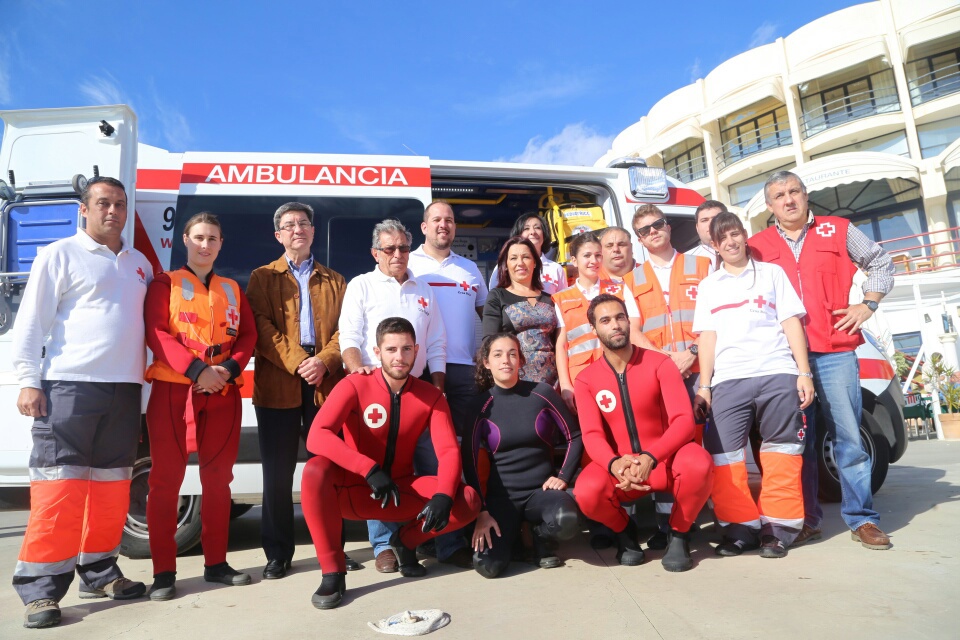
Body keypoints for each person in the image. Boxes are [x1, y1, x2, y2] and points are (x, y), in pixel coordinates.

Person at [11, 177, 152, 629]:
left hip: (125, 390)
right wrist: (29, 381)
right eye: (103, 204)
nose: (112, 211)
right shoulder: (59, 254)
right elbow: (30, 324)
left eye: (119, 204)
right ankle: (41, 591)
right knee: (60, 491)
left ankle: (99, 571)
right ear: (84, 211)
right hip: (69, 387)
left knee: (112, 491)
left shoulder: (139, 264)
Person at [748, 170, 895, 551]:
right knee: (799, 443)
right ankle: (807, 521)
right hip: (785, 359)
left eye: (794, 191)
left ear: (805, 195)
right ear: (770, 205)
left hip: (835, 352)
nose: (788, 199)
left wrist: (868, 304)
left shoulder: (838, 229)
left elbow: (881, 263)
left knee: (848, 438)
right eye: (779, 195)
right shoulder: (757, 245)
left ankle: (862, 519)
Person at [300, 317, 481, 609]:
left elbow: (448, 451)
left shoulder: (430, 396)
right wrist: (368, 469)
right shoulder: (355, 384)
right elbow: (316, 437)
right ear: (377, 351)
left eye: (407, 349)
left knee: (467, 499)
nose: (400, 357)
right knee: (314, 470)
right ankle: (332, 571)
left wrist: (444, 495)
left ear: (417, 350)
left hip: (398, 493)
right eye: (392, 349)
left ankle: (405, 543)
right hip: (352, 490)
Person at [144, 212, 257, 599]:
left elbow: (248, 335)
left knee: (218, 481)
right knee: (164, 483)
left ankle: (216, 563)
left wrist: (225, 369)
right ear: (185, 241)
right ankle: (163, 572)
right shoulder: (165, 284)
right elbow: (157, 333)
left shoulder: (232, 289)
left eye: (212, 238)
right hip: (176, 393)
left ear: (221, 243)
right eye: (198, 237)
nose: (205, 244)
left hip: (223, 392)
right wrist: (196, 371)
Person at [247, 202, 359, 580]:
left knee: (329, 470)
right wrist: (298, 361)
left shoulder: (335, 280)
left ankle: (335, 550)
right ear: (278, 235)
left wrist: (325, 361)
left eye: (304, 223)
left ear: (313, 231)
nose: (298, 229)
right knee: (276, 475)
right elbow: (260, 328)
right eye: (289, 224)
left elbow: (348, 330)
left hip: (325, 385)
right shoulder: (262, 277)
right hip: (278, 380)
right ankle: (278, 553)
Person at [693, 211, 814, 558]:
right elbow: (707, 338)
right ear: (714, 246)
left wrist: (803, 373)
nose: (730, 242)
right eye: (722, 239)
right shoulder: (709, 286)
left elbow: (792, 323)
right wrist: (705, 386)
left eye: (734, 234)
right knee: (724, 458)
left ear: (744, 235)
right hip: (729, 378)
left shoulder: (772, 274)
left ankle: (779, 530)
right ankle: (740, 529)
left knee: (782, 453)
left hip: (777, 372)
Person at [573, 295, 714, 572]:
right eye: (605, 320)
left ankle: (678, 534)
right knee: (586, 492)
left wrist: (651, 456)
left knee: (699, 463)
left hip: (663, 462)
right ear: (594, 330)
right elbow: (591, 435)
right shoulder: (586, 379)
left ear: (628, 321)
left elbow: (683, 422)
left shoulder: (660, 364)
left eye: (620, 317)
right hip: (622, 471)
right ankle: (625, 531)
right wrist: (615, 464)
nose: (615, 325)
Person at [338, 218, 447, 573]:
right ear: (375, 253)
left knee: (428, 466)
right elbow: (349, 338)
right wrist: (358, 377)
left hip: (418, 395)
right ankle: (384, 545)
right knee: (382, 469)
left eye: (403, 247)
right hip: (375, 398)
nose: (398, 254)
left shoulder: (424, 288)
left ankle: (420, 535)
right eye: (389, 248)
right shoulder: (362, 285)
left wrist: (439, 388)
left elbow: (435, 342)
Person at [407, 200, 488, 568]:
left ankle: (467, 529)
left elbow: (485, 316)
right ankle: (433, 536)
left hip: (464, 372)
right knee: (427, 456)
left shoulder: (469, 269)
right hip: (420, 370)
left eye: (450, 221)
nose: (444, 225)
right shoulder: (406, 263)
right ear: (423, 226)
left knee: (465, 452)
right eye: (437, 220)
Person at [466, 333, 583, 577]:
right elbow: (470, 460)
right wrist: (482, 512)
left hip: (541, 494)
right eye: (497, 355)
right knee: (488, 567)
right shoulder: (479, 405)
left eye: (512, 353)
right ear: (486, 363)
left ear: (521, 359)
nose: (505, 360)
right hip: (502, 500)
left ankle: (539, 537)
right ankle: (517, 540)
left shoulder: (542, 393)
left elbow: (575, 436)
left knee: (567, 520)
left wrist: (563, 476)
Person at [554, 231, 643, 413]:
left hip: (619, 370)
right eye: (587, 255)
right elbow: (561, 345)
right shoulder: (561, 298)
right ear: (574, 260)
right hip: (581, 377)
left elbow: (634, 331)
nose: (593, 261)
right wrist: (565, 385)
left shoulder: (620, 290)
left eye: (598, 255)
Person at [482, 236, 558, 386]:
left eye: (526, 257)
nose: (520, 263)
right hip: (514, 380)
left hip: (552, 383)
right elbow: (489, 341)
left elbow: (559, 343)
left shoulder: (551, 299)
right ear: (506, 264)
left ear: (535, 262)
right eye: (513, 258)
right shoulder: (497, 296)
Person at [488, 212, 567, 294]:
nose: (532, 232)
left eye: (537, 228)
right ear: (518, 235)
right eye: (526, 228)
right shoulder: (503, 266)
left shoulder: (556, 269)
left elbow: (563, 301)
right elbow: (494, 297)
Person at [684, 200, 728, 270]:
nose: (711, 224)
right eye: (704, 220)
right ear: (697, 227)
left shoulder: (745, 251)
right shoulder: (689, 259)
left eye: (716, 219)